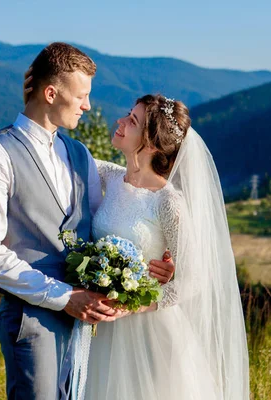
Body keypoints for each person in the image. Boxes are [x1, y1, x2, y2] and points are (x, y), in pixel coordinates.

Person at [0, 43, 175, 400]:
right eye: (82, 96)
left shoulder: (80, 154)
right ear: (50, 93)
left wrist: (152, 265)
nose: (88, 106)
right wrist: (63, 297)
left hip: (86, 325)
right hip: (32, 320)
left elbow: (103, 225)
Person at [74, 94, 249, 399]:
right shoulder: (110, 178)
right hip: (99, 328)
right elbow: (69, 157)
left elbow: (194, 279)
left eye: (133, 121)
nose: (120, 122)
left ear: (152, 144)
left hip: (147, 332)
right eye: (128, 115)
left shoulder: (168, 202)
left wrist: (137, 304)